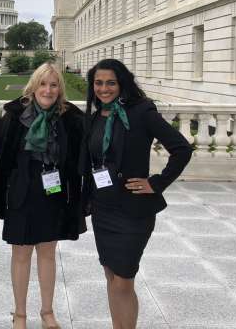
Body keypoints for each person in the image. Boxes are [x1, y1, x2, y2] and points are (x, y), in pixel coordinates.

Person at [80, 59, 193, 329]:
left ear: (122, 84)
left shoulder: (141, 112)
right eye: (98, 83)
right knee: (110, 274)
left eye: (111, 83)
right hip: (103, 208)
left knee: (123, 279)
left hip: (132, 211)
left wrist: (156, 182)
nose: (104, 89)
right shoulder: (95, 116)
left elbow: (181, 149)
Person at [0, 62, 85, 329]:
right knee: (21, 255)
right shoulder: (15, 116)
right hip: (22, 193)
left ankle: (47, 312)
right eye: (43, 84)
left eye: (54, 84)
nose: (48, 90)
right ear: (33, 86)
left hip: (53, 193)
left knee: (48, 254)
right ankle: (20, 315)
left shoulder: (70, 118)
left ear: (60, 90)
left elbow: (80, 158)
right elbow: (3, 159)